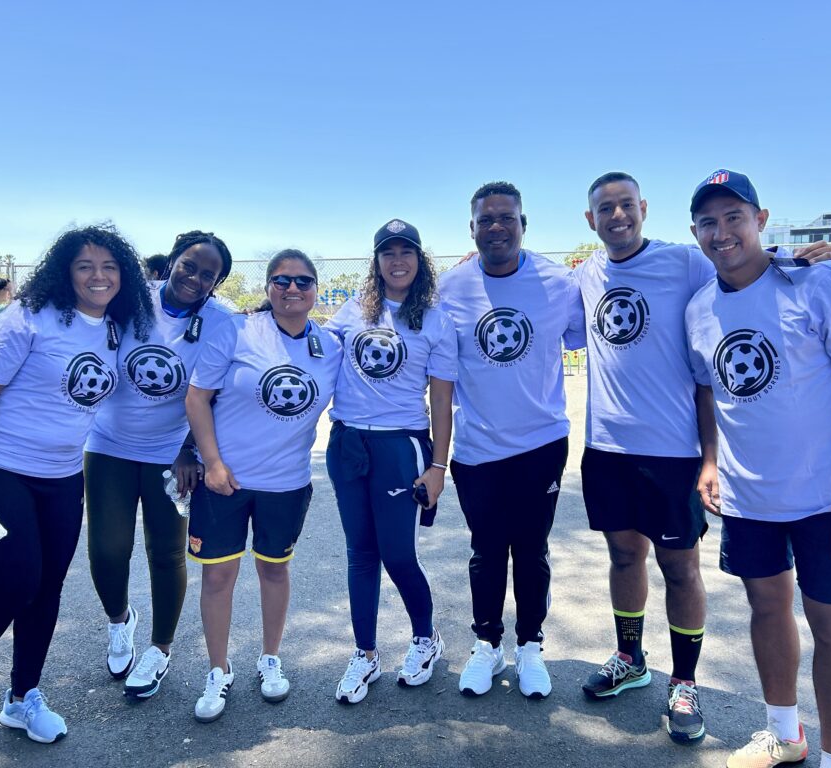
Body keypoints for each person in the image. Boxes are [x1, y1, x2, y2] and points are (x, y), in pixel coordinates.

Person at [574, 172, 831, 743]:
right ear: (589, 220)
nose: (616, 216)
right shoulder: (586, 274)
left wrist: (796, 252)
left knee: (679, 568)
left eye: (625, 205)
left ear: (642, 208)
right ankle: (630, 658)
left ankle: (684, 682)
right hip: (606, 449)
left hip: (672, 452)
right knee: (623, 557)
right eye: (604, 209)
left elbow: (744, 263)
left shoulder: (683, 263)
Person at [685, 170, 831, 768]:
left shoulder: (818, 281)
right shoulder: (699, 308)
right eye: (708, 222)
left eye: (734, 218)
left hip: (829, 498)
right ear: (694, 231)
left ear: (761, 220)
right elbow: (707, 393)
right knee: (767, 611)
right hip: (750, 501)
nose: (721, 233)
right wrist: (711, 462)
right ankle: (786, 735)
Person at [0, 224, 154, 743]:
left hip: (62, 477)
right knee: (17, 581)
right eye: (85, 266)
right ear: (66, 272)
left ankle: (23, 697)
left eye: (109, 266)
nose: (98, 276)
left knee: (47, 591)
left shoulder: (115, 326)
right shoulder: (29, 317)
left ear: (123, 275)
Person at [438, 181, 586, 700]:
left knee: (531, 549)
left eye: (507, 218)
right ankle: (486, 644)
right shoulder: (450, 287)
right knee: (485, 550)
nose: (496, 226)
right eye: (486, 219)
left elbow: (614, 322)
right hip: (477, 450)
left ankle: (530, 646)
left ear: (524, 224)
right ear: (472, 228)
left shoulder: (560, 284)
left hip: (541, 444)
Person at [185, 249, 342, 722]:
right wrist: (210, 462)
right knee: (217, 576)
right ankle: (218, 669)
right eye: (281, 280)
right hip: (225, 481)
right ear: (268, 286)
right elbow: (196, 399)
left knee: (274, 570)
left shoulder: (331, 346)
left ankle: (270, 658)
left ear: (316, 289)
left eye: (302, 281)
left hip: (286, 484)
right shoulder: (234, 331)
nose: (292, 289)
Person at [84, 231, 235, 699]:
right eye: (189, 265)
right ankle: (119, 620)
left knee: (166, 554)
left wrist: (191, 448)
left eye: (208, 275)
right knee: (108, 550)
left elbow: (216, 395)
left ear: (217, 283)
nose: (194, 278)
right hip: (108, 442)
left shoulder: (220, 322)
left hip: (170, 451)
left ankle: (159, 649)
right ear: (172, 261)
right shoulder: (131, 298)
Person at [326, 220, 457, 704]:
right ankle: (364, 654)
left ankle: (426, 638)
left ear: (420, 261)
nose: (397, 260)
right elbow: (309, 350)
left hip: (401, 446)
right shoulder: (352, 311)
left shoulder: (437, 320)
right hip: (348, 442)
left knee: (398, 554)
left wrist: (438, 468)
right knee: (360, 553)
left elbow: (441, 403)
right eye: (388, 253)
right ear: (376, 262)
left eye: (407, 252)